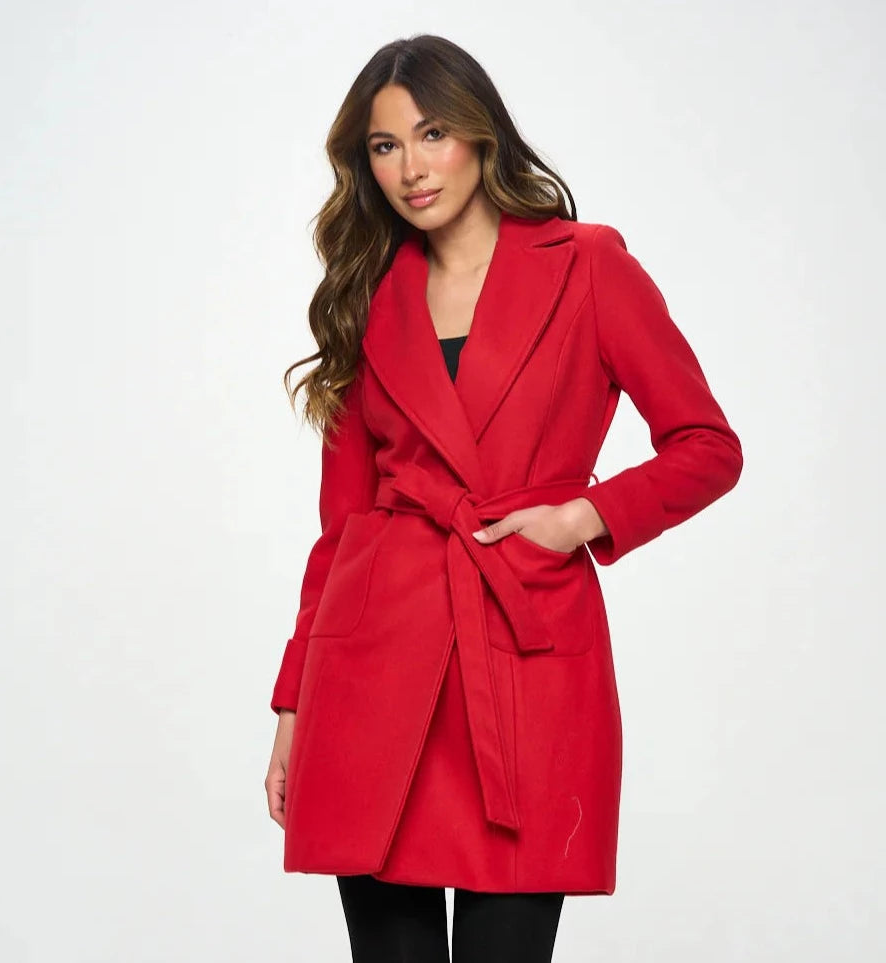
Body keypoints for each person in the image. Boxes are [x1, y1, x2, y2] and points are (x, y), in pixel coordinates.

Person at [264, 33, 743, 963]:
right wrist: (292, 703)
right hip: (372, 670)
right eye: (384, 145)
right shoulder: (366, 297)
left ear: (481, 135)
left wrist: (581, 518)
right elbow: (339, 530)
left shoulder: (586, 264)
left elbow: (707, 447)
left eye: (432, 133)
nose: (411, 167)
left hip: (523, 654)